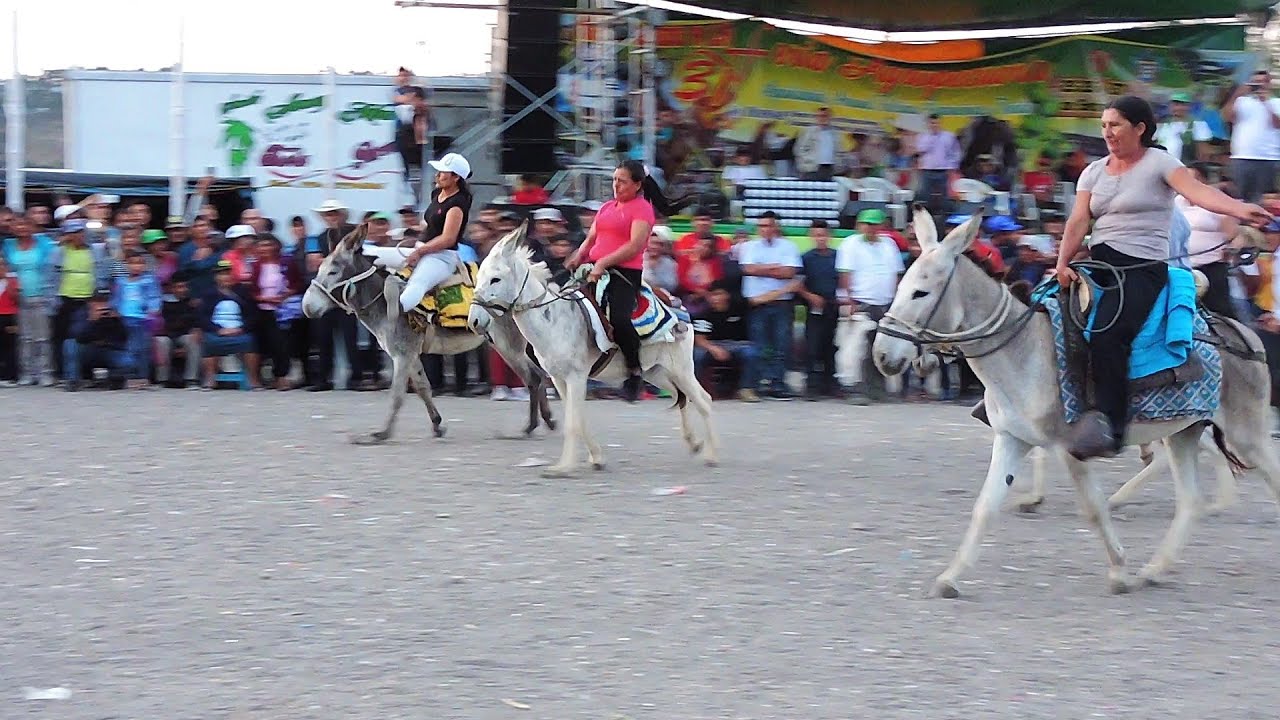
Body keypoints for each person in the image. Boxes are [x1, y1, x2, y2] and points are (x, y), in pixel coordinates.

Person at [1055, 95, 1270, 460]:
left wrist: (1238, 209)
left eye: (1115, 125)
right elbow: (1078, 221)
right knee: (1044, 316)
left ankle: (1112, 425)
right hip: (1099, 263)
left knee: (1109, 333)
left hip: (1142, 267)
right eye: (1104, 125)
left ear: (1139, 128)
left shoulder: (1160, 163)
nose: (1107, 132)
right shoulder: (1093, 172)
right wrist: (1061, 263)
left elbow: (1199, 193)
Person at [565, 159, 689, 402]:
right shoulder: (606, 207)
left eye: (622, 181)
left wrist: (602, 263)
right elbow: (592, 238)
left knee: (619, 319)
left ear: (637, 185)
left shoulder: (641, 209)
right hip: (593, 269)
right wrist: (577, 256)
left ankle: (634, 370)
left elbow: (634, 246)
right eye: (614, 180)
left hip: (623, 274)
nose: (616, 186)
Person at [364, 153, 473, 317]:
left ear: (455, 177)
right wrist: (411, 233)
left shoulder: (457, 205)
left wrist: (420, 251)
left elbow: (448, 238)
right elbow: (431, 224)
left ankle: (394, 315)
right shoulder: (437, 194)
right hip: (422, 249)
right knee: (370, 253)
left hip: (441, 257)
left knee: (418, 283)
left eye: (442, 172)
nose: (437, 175)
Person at [1177, 163, 1241, 317]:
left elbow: (1235, 235)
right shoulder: (1177, 202)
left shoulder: (1218, 202)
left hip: (1211, 266)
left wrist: (1233, 249)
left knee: (1220, 310)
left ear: (1203, 181)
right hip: (1182, 266)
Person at [112, 251, 161, 389]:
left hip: (142, 318)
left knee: (142, 348)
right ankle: (130, 376)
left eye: (139, 263)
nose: (136, 266)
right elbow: (116, 298)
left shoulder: (149, 280)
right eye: (132, 263)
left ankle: (143, 377)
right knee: (128, 348)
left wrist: (153, 310)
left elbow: (154, 297)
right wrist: (114, 310)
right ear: (126, 265)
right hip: (124, 318)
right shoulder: (121, 281)